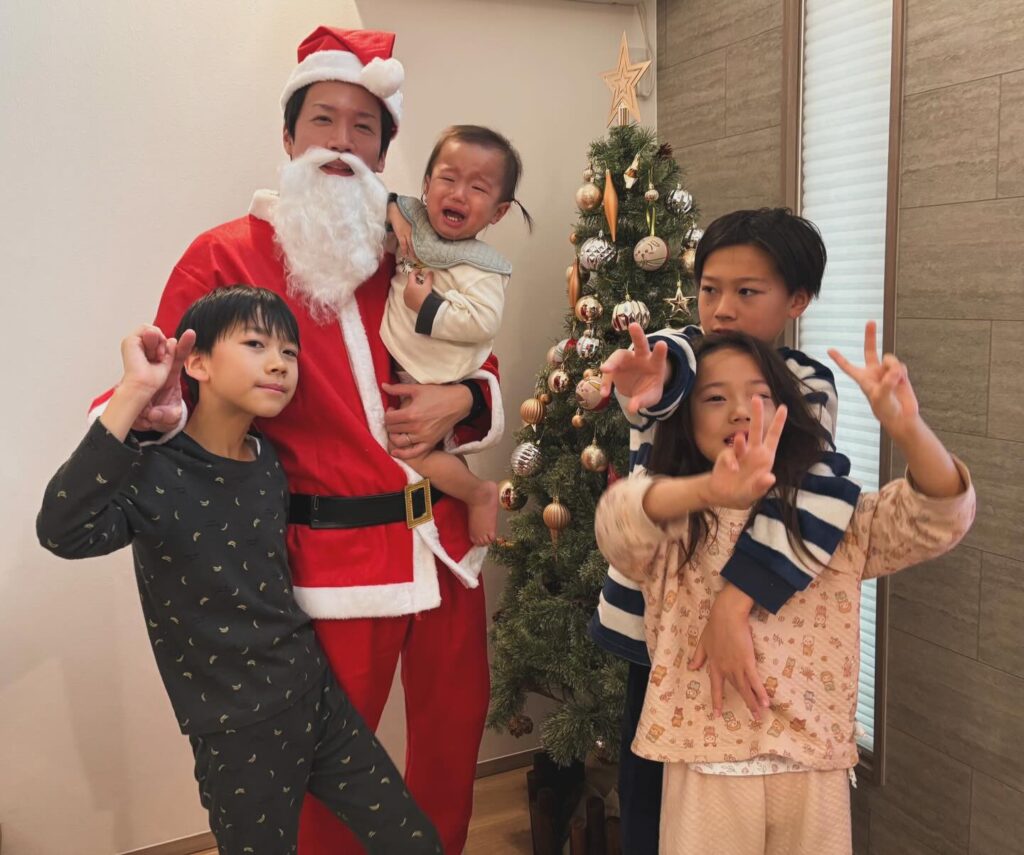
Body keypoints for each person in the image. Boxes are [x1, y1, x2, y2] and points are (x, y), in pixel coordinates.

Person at [86, 27, 500, 855]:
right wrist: (139, 409)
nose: (342, 142)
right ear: (288, 136)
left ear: (382, 150)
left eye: (363, 127)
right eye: (323, 120)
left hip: (446, 546)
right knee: (325, 777)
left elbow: (477, 358)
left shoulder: (417, 247)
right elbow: (165, 381)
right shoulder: (225, 254)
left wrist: (462, 395)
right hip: (331, 564)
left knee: (452, 749)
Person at [38, 288, 442, 855]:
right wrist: (133, 394)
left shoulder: (266, 459)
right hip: (234, 728)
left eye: (289, 352)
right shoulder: (152, 472)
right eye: (255, 344)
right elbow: (61, 530)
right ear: (197, 363)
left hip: (313, 690)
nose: (279, 363)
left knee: (412, 838)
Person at [595, 327, 975, 854]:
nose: (740, 411)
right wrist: (709, 489)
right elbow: (618, 520)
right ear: (685, 418)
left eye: (760, 395)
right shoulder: (678, 522)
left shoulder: (830, 518)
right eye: (714, 398)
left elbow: (937, 518)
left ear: (786, 412)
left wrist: (909, 429)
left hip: (812, 763)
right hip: (707, 765)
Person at [589, 208, 863, 853]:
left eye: (747, 291)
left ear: (797, 300)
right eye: (710, 289)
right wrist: (656, 382)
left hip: (751, 628)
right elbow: (671, 369)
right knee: (650, 786)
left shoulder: (802, 384)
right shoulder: (679, 358)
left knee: (726, 780)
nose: (723, 310)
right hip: (660, 626)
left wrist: (733, 607)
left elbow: (814, 494)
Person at [381, 124, 532, 546]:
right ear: (427, 185)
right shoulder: (414, 231)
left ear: (498, 212)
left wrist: (427, 305)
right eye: (448, 178)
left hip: (433, 376)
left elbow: (483, 322)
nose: (459, 194)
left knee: (416, 453)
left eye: (478, 188)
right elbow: (372, 207)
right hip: (403, 364)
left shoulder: (482, 268)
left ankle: (477, 492)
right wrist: (393, 211)